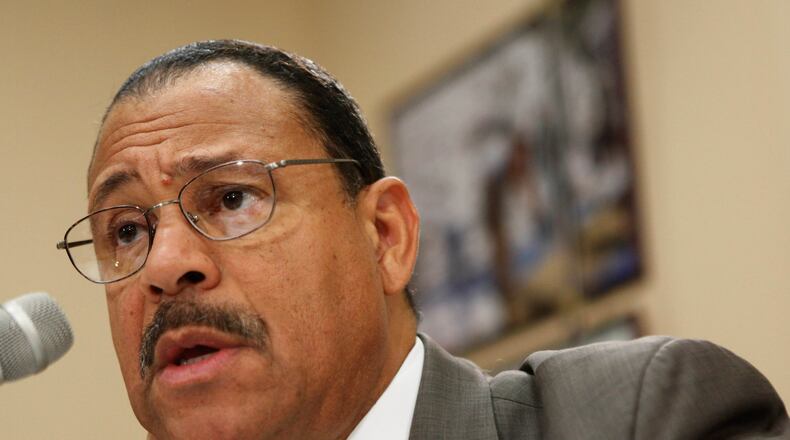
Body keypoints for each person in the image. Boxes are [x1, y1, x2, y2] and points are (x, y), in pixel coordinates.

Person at [58, 40, 788, 439]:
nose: (165, 264)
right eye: (126, 230)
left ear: (385, 236)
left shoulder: (640, 418)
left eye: (233, 197)